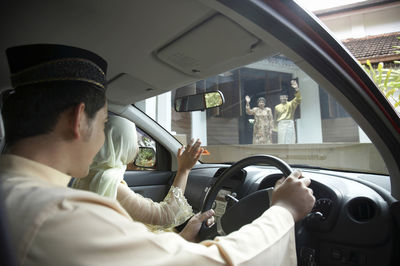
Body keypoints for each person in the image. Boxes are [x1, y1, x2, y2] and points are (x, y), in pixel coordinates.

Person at [0, 44, 315, 265]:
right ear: (79, 119)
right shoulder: (58, 215)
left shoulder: (19, 194)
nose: (101, 141)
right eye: (103, 124)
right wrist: (284, 210)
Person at [72, 115, 200, 231]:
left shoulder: (87, 174)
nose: (137, 149)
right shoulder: (109, 183)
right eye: (134, 141)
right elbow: (165, 216)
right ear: (122, 145)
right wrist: (184, 170)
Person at [274, 79, 302, 144]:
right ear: (280, 98)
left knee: (290, 140)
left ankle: (292, 154)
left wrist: (297, 89)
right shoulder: (277, 107)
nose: (283, 98)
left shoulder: (291, 104)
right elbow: (275, 119)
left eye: (285, 97)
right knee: (281, 141)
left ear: (287, 97)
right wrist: (275, 129)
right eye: (282, 97)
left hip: (290, 123)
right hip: (281, 124)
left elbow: (298, 99)